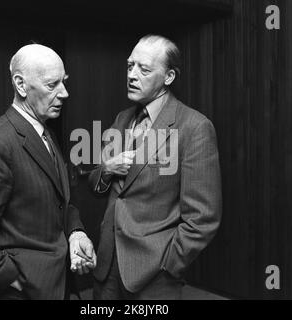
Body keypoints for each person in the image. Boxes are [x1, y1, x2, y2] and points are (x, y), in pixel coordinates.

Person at [0, 44, 96, 300]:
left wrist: (76, 233)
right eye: (53, 85)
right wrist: (14, 278)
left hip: (58, 284)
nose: (64, 93)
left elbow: (58, 202)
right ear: (21, 85)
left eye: (64, 82)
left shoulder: (46, 133)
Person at [89, 35, 222, 300]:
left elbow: (203, 218)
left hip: (154, 274)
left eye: (144, 69)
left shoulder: (194, 127)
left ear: (169, 76)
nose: (132, 75)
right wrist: (106, 168)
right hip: (106, 266)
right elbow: (96, 182)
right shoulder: (122, 118)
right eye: (130, 66)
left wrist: (168, 266)